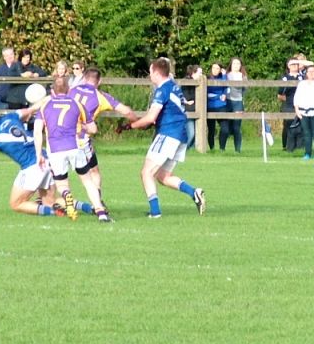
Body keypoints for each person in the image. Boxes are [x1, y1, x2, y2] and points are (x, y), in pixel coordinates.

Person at [128, 57, 207, 218]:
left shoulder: (162, 90)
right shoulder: (173, 86)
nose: (149, 75)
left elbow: (151, 117)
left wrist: (131, 126)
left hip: (168, 134)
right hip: (180, 136)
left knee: (146, 172)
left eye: (150, 72)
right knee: (163, 176)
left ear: (156, 73)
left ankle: (155, 212)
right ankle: (194, 193)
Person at [70, 65, 140, 221]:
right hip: (81, 139)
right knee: (92, 173)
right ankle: (98, 204)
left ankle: (46, 200)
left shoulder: (72, 90)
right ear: (99, 80)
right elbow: (126, 111)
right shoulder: (100, 96)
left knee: (60, 174)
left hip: (63, 137)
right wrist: (137, 122)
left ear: (83, 78)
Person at [29, 75, 88, 219]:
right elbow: (90, 127)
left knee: (58, 185)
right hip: (73, 146)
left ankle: (66, 198)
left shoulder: (46, 104)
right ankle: (93, 207)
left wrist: (38, 154)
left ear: (52, 90)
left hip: (54, 149)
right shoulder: (74, 102)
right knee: (87, 179)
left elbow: (37, 131)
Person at [277, 57, 304, 153]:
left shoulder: (302, 77)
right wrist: (290, 100)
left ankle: (299, 147)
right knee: (288, 125)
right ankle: (288, 147)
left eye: (296, 64)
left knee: (301, 126)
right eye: (292, 64)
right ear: (288, 66)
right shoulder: (285, 78)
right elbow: (280, 95)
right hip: (288, 105)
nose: (294, 66)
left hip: (302, 105)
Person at [221, 56, 246, 152]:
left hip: (238, 102)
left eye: (238, 64)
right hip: (227, 101)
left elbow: (244, 90)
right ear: (231, 65)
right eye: (234, 63)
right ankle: (222, 149)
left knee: (236, 127)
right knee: (225, 127)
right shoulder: (226, 75)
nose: (236, 65)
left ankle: (237, 150)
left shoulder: (243, 76)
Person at [0, 46, 27, 111]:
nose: (10, 56)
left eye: (11, 54)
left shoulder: (22, 67)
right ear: (4, 57)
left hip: (18, 102)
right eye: (7, 55)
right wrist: (1, 94)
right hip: (4, 102)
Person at [205, 61, 228, 150]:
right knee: (211, 129)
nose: (215, 70)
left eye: (217, 68)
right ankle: (212, 149)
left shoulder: (223, 78)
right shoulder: (207, 78)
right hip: (210, 106)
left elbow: (226, 88)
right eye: (213, 68)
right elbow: (207, 94)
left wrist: (225, 75)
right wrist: (218, 96)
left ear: (220, 70)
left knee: (225, 129)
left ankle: (222, 148)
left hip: (221, 105)